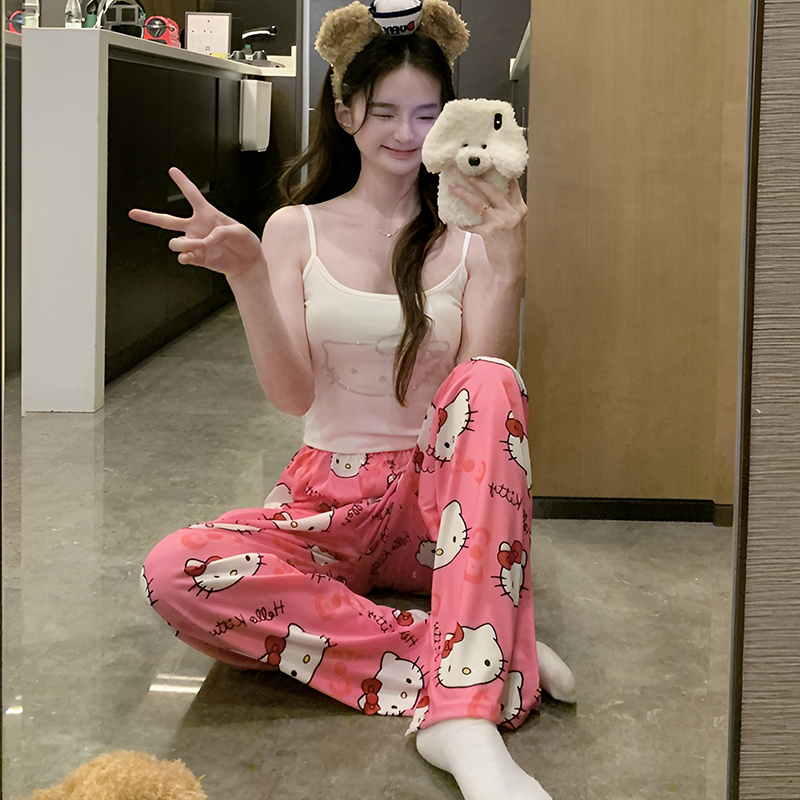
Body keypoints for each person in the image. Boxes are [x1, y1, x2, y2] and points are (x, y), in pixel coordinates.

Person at [131, 2, 576, 798]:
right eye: (384, 111)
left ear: (451, 122)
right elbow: (291, 394)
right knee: (175, 572)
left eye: (427, 114)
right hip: (327, 502)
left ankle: (459, 719)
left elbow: (481, 397)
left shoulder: (471, 236)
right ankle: (473, 645)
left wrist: (508, 266)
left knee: (493, 379)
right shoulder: (293, 229)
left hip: (441, 509)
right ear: (344, 112)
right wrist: (245, 275)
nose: (406, 133)